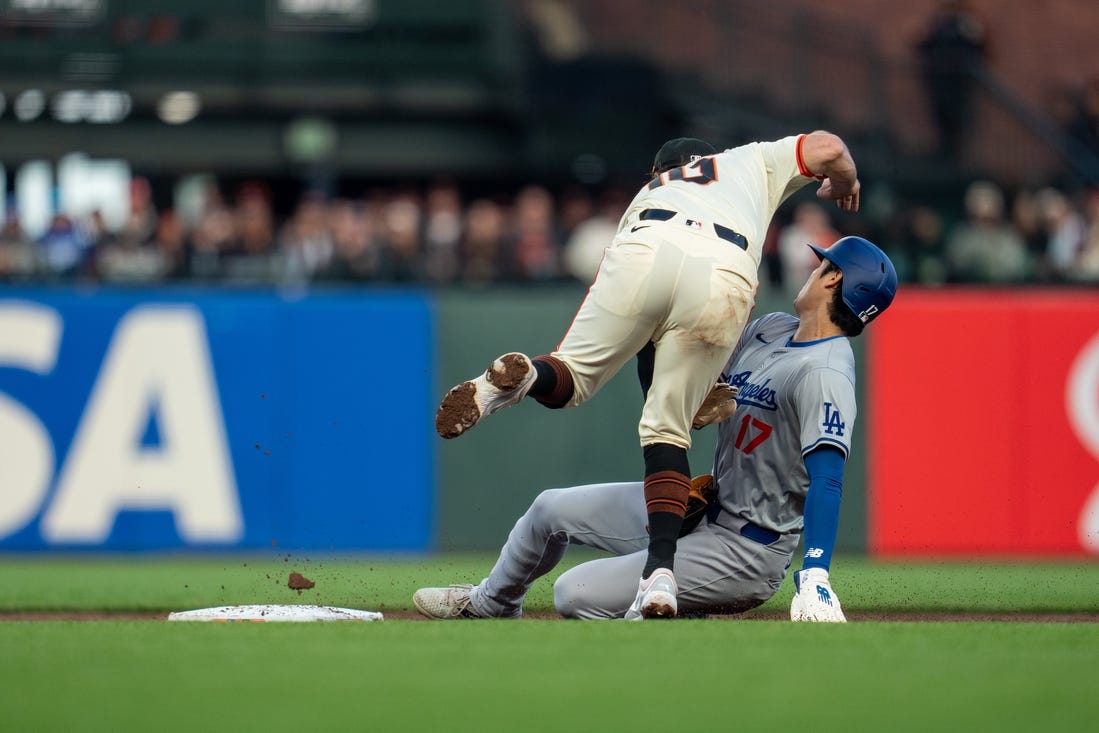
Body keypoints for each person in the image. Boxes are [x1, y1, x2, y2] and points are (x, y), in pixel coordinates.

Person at [434, 131, 862, 619]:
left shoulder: (824, 367)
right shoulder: (769, 323)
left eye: (823, 264)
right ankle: (498, 601)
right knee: (563, 498)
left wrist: (815, 570)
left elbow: (827, 475)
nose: (814, 265)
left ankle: (528, 376)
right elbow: (830, 148)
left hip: (746, 543)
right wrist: (846, 182)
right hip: (723, 280)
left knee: (574, 585)